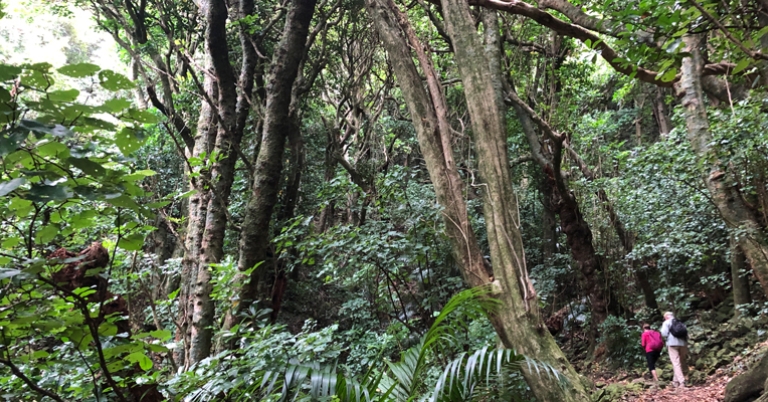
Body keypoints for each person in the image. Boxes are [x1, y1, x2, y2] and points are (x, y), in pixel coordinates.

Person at [660, 311, 688, 387]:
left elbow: (664, 333)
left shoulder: (666, 322)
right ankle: (675, 382)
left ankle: (682, 381)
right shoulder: (679, 321)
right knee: (679, 363)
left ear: (666, 317)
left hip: (672, 344)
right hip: (682, 343)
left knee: (676, 363)